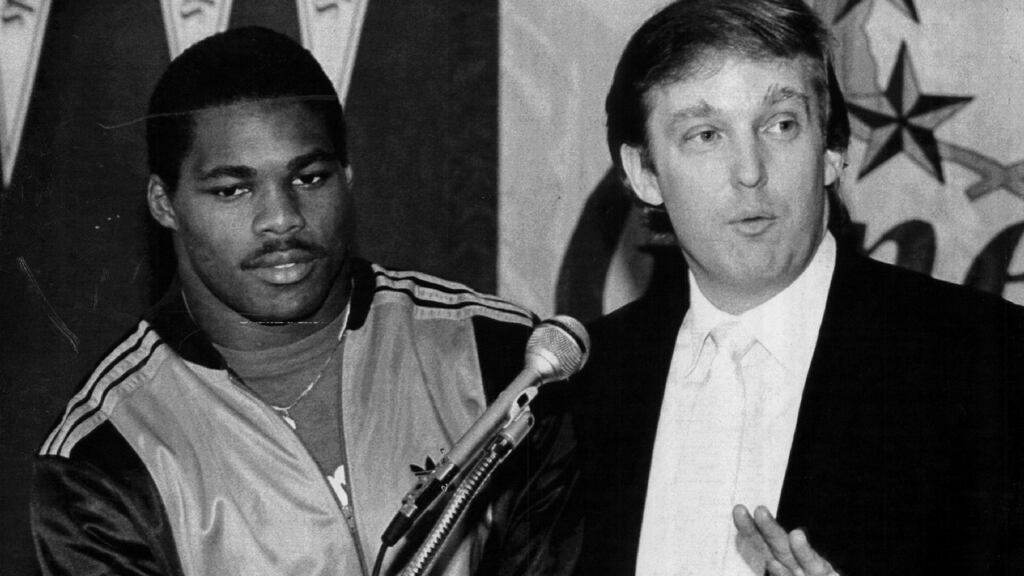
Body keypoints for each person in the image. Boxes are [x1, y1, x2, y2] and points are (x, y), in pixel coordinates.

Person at [31, 27, 576, 576]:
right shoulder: (107, 448)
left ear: (348, 178)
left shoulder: (500, 357)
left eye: (309, 178)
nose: (282, 218)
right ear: (164, 203)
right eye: (232, 190)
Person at [570, 0, 1024, 574]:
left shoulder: (991, 362)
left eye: (780, 125)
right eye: (705, 134)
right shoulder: (581, 384)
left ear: (832, 150)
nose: (750, 170)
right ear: (644, 173)